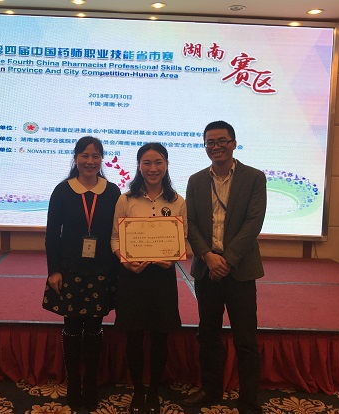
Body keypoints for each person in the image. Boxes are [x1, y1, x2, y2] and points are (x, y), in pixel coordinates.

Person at [183, 120, 266, 414]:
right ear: (205, 146)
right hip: (207, 269)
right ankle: (211, 390)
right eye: (210, 142)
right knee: (208, 334)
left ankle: (248, 399)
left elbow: (253, 223)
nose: (216, 146)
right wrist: (208, 256)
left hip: (239, 269)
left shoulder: (254, 178)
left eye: (222, 141)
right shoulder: (195, 180)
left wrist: (227, 259)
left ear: (233, 143)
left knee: (245, 338)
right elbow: (190, 223)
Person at [42, 136, 121, 411]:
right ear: (75, 158)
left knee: (95, 328)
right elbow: (52, 234)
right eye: (84, 155)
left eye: (95, 156)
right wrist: (53, 271)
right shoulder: (62, 190)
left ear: (102, 159)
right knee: (73, 327)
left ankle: (91, 383)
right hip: (70, 270)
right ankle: (74, 383)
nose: (90, 161)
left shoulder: (112, 191)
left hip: (102, 270)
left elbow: (118, 231)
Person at [110, 142, 187, 414]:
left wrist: (173, 257)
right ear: (139, 166)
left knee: (160, 337)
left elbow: (183, 239)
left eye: (158, 162)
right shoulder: (126, 200)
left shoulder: (177, 201)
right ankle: (138, 392)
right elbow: (115, 238)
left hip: (162, 278)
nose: (153, 168)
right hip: (132, 277)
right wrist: (124, 259)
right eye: (147, 163)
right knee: (133, 337)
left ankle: (153, 390)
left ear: (166, 165)